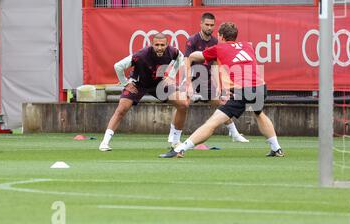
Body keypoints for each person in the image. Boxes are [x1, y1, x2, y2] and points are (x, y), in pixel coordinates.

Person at [159, 22, 284, 158]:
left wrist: (190, 59)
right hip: (260, 87)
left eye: (218, 34)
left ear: (221, 36)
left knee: (212, 123)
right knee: (259, 113)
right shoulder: (248, 46)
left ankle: (180, 149)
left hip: (242, 90)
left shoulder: (218, 48)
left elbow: (195, 56)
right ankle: (276, 148)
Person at [99, 32, 188, 151]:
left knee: (183, 104)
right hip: (138, 84)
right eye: (157, 45)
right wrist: (126, 83)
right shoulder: (141, 55)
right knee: (122, 109)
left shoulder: (173, 51)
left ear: (167, 45)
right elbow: (118, 66)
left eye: (162, 45)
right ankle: (104, 143)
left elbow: (180, 58)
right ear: (152, 44)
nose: (160, 47)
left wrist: (171, 75)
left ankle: (175, 141)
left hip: (158, 83)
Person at [178, 12, 248, 143]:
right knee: (182, 104)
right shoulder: (192, 40)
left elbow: (216, 65)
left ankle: (234, 134)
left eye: (212, 25)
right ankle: (174, 138)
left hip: (207, 80)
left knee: (221, 104)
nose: (209, 27)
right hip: (192, 78)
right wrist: (188, 85)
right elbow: (186, 61)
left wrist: (219, 87)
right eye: (207, 24)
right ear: (201, 24)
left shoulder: (216, 41)